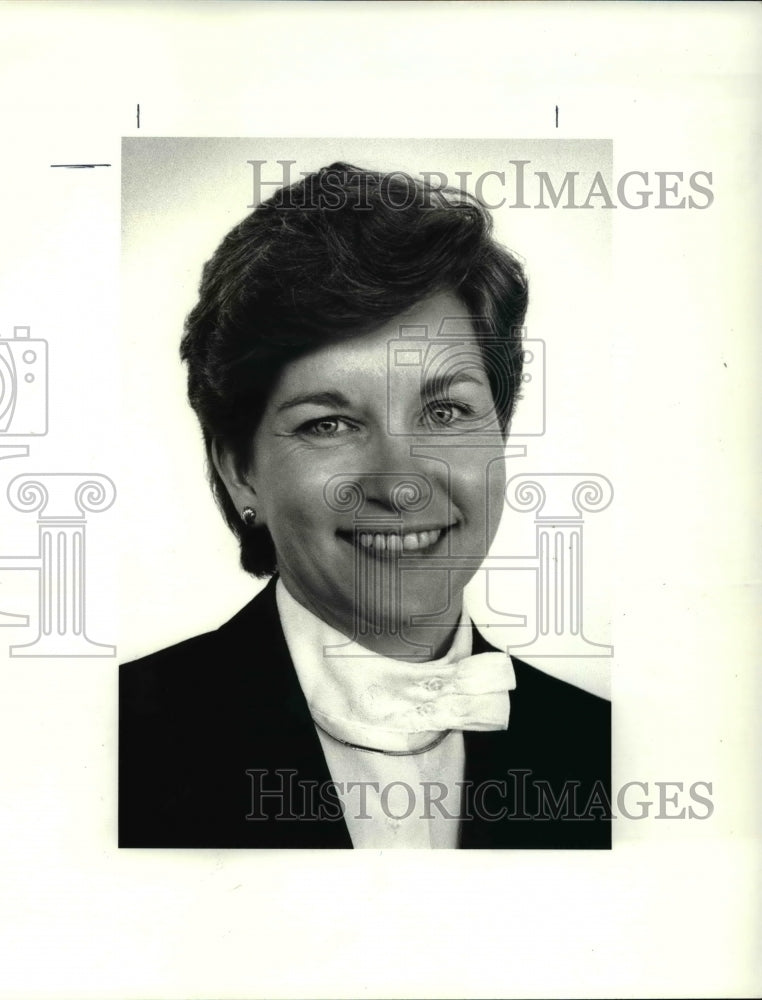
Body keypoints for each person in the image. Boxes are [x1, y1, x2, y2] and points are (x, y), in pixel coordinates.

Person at [119, 162, 611, 849]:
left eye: (445, 411)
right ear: (239, 472)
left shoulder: (606, 750)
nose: (401, 483)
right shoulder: (114, 746)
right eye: (329, 423)